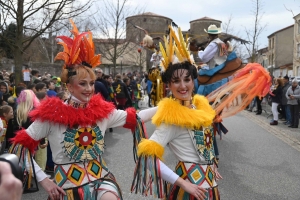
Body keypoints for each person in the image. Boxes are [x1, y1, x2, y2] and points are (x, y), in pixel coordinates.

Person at [9, 21, 156, 200]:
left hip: (101, 181)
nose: (89, 89)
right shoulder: (53, 115)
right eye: (83, 84)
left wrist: (167, 106)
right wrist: (45, 181)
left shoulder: (102, 112)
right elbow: (20, 146)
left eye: (92, 83)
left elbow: (137, 117)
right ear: (70, 87)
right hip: (68, 189)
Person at [132, 26, 221, 200]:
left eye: (187, 79)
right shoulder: (172, 120)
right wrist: (183, 183)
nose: (183, 86)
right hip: (189, 193)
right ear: (169, 85)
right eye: (176, 81)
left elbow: (204, 145)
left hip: (210, 189)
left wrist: (211, 164)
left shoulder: (201, 111)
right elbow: (147, 157)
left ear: (193, 81)